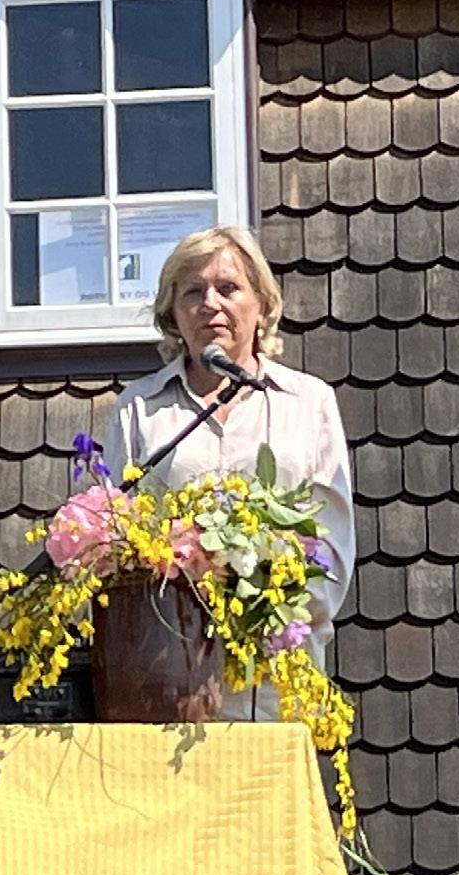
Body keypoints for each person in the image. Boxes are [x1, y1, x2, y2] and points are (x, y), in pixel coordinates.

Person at [103, 226, 357, 701]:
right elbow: (113, 547)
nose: (210, 304)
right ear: (173, 313)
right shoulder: (138, 408)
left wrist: (267, 619)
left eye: (228, 288)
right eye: (193, 292)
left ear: (261, 304)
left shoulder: (309, 402)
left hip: (278, 680)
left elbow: (333, 548)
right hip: (171, 681)